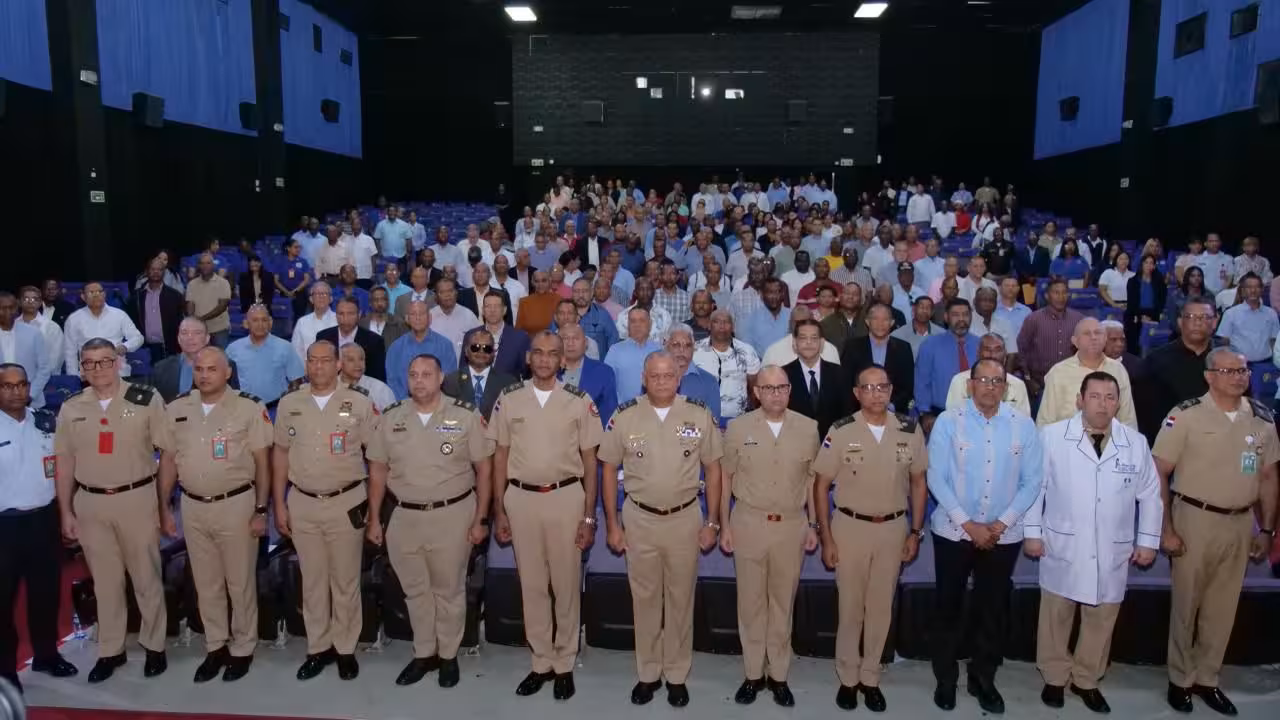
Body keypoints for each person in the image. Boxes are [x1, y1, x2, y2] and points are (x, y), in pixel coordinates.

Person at [1025, 371, 1160, 713]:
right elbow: (1035, 488)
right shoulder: (1052, 437)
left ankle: (1087, 679)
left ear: (1119, 402)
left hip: (1112, 546)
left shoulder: (1135, 443)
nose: (1102, 404)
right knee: (1056, 614)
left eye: (1110, 397)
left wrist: (1148, 541)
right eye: (1095, 396)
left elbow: (1150, 495)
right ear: (1079, 400)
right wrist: (1032, 533)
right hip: (1063, 542)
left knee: (1102, 616)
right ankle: (1054, 677)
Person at [1153, 348, 1278, 715]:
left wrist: (1267, 529)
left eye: (1243, 371)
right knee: (1187, 604)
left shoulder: (1261, 418)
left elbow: (1269, 477)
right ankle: (1180, 680)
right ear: (1209, 376)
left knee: (1223, 608)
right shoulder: (1185, 415)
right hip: (1195, 517)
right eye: (1230, 371)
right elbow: (1158, 471)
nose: (1240, 377)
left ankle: (1208, 678)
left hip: (1240, 522)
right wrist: (1166, 528)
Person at [599, 351, 723, 708]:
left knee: (681, 600)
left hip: (685, 519)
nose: (662, 381)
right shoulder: (625, 416)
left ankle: (677, 674)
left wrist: (712, 521)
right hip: (640, 519)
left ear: (678, 378)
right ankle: (648, 673)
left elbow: (714, 469)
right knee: (645, 600)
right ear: (644, 378)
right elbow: (607, 468)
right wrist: (612, 524)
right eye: (655, 375)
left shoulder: (698, 414)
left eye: (669, 375)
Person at [365, 353, 492, 688]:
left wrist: (481, 519)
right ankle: (424, 653)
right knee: (415, 591)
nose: (419, 380)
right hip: (403, 516)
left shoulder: (465, 415)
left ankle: (448, 656)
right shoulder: (391, 417)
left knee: (448, 590)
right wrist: (374, 518)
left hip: (452, 514)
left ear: (440, 379)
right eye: (413, 375)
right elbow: (377, 470)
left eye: (426, 374)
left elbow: (484, 469)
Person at [488, 332, 602, 700]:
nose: (544, 359)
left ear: (562, 361)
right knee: (532, 584)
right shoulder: (509, 399)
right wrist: (499, 510)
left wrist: (589, 517)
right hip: (521, 499)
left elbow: (590, 462)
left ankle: (565, 662)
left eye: (552, 354)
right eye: (537, 353)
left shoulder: (579, 401)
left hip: (566, 497)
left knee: (566, 584)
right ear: (528, 358)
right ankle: (541, 661)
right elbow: (500, 457)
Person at [925, 358, 1043, 713]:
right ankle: (946, 679)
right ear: (970, 384)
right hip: (953, 531)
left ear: (1005, 387)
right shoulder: (949, 421)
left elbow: (1032, 481)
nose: (990, 387)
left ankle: (983, 678)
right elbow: (935, 477)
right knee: (948, 607)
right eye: (983, 380)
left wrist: (1001, 524)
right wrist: (969, 525)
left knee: (992, 609)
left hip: (1002, 535)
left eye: (997, 381)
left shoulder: (1023, 425)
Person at [814, 364, 927, 712]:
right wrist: (826, 538)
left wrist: (915, 532)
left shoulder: (909, 429)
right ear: (856, 393)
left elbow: (918, 482)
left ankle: (871, 677)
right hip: (850, 528)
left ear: (891, 391)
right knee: (850, 608)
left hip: (893, 529)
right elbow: (820, 485)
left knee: (880, 608)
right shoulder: (841, 430)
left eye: (883, 387)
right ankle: (848, 678)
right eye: (869, 387)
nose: (876, 394)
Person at [54, 338, 168, 683]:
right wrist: (65, 511)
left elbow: (169, 453)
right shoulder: (72, 407)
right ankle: (111, 650)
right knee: (105, 582)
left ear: (118, 363)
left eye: (104, 361)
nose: (98, 369)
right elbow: (64, 463)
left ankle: (154, 645)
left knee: (146, 577)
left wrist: (163, 503)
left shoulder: (146, 399)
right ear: (81, 369)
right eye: (89, 363)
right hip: (90, 503)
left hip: (136, 497)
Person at [156, 346, 271, 683]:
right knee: (206, 583)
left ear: (228, 372)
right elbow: (168, 462)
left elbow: (263, 464)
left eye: (212, 369)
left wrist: (261, 509)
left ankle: (243, 647)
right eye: (199, 369)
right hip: (192, 506)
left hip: (236, 504)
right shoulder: (177, 408)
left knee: (239, 582)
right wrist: (163, 506)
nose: (204, 375)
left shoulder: (249, 407)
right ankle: (216, 645)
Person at [272, 341, 378, 682]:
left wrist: (376, 510)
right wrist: (278, 503)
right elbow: (280, 454)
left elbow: (377, 456)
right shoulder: (289, 403)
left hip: (346, 501)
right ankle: (318, 647)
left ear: (338, 365)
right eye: (312, 361)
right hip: (302, 501)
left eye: (325, 361)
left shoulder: (359, 402)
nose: (318, 366)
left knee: (345, 580)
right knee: (313, 580)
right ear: (306, 365)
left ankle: (345, 649)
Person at [719, 365, 820, 707]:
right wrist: (724, 525)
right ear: (756, 392)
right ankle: (752, 674)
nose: (775, 394)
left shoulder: (808, 428)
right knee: (750, 603)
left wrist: (814, 525)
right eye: (768, 388)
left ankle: (778, 675)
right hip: (748, 522)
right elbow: (725, 479)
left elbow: (813, 481)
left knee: (782, 603)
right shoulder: (737, 428)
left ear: (789, 390)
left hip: (791, 526)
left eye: (781, 388)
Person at [0, 364, 78, 692]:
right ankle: (5, 670)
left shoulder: (45, 422)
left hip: (43, 520)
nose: (16, 391)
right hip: (5, 526)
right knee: (3, 601)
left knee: (46, 593)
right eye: (7, 386)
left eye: (21, 384)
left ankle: (47, 654)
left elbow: (61, 470)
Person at [1137, 298, 1216, 441]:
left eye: (1204, 317)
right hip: (1170, 438)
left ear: (1215, 322)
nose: (1197, 322)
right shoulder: (1156, 360)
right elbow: (1146, 413)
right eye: (1190, 316)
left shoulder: (1229, 361)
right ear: (1180, 322)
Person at [1037, 317, 1137, 428]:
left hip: (1110, 436)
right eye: (1087, 333)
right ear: (1075, 341)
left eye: (1098, 333)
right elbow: (1045, 420)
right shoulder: (1058, 372)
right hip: (1066, 436)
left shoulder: (1118, 370)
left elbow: (1128, 419)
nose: (1093, 337)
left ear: (1105, 339)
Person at [915, 299, 981, 426]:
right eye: (955, 315)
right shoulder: (930, 345)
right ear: (946, 317)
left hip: (977, 415)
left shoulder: (981, 345)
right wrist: (925, 414)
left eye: (965, 314)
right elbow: (922, 383)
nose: (961, 319)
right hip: (940, 416)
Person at [1017, 278, 1086, 399]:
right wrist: (1028, 380)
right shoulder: (1033, 319)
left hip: (1072, 383)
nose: (1061, 297)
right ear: (1047, 296)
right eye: (1056, 293)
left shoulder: (1079, 319)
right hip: (1040, 384)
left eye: (1064, 293)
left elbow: (1086, 350)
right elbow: (1022, 349)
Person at [840, 304, 914, 414]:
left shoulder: (903, 348)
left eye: (885, 319)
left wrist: (891, 406)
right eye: (875, 319)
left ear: (892, 323)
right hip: (859, 412)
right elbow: (845, 384)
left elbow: (907, 386)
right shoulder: (852, 347)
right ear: (867, 322)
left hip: (893, 413)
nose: (880, 324)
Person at [226, 305, 304, 407]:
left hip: (276, 407)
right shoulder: (233, 349)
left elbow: (296, 381)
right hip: (244, 408)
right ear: (246, 324)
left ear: (270, 323)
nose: (260, 324)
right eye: (255, 320)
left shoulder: (285, 347)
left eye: (264, 320)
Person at [63, 282, 144, 379]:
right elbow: (70, 352)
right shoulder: (74, 319)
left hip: (117, 372)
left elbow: (138, 337)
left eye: (99, 291)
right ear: (83, 297)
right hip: (88, 373)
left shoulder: (119, 315)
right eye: (91, 292)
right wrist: (73, 378)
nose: (96, 295)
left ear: (104, 294)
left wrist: (125, 346)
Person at [152, 317, 241, 403]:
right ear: (178, 339)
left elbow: (232, 401)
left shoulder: (225, 365)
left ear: (207, 338)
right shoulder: (161, 368)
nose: (190, 337)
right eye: (184, 333)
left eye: (197, 333)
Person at [692, 310, 760, 420]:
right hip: (701, 418)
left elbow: (754, 388)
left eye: (726, 322)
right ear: (709, 325)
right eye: (717, 321)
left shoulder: (747, 351)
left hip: (738, 420)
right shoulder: (694, 351)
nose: (722, 326)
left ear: (733, 327)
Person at [386, 301, 459, 401]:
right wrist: (408, 403)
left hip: (438, 404)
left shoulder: (445, 346)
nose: (418, 317)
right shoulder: (395, 348)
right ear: (407, 319)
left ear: (430, 318)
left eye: (422, 313)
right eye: (413, 314)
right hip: (405, 405)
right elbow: (393, 382)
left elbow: (448, 381)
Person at [945, 333, 1031, 416]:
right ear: (978, 353)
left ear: (1005, 354)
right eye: (987, 349)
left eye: (998, 350)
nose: (992, 355)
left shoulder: (1018, 385)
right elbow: (952, 418)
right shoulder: (959, 381)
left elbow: (1023, 421)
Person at [443, 328, 514, 420]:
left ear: (493, 353)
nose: (481, 352)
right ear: (466, 351)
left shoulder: (508, 383)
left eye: (487, 348)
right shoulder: (450, 381)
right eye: (475, 347)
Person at [557, 323, 617, 427]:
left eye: (576, 338)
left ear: (586, 343)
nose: (570, 343)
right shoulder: (548, 372)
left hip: (593, 435)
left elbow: (611, 416)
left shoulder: (604, 373)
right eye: (565, 338)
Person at [128, 257, 187, 363]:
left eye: (159, 269)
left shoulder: (175, 296)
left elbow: (181, 322)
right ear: (147, 271)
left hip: (169, 349)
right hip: (144, 349)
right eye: (153, 269)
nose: (156, 272)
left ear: (164, 272)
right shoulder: (137, 297)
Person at [317, 296, 387, 382]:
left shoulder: (374, 341)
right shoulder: (323, 337)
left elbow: (378, 377)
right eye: (341, 314)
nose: (345, 318)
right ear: (336, 315)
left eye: (350, 314)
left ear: (359, 315)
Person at [0, 293, 50, 409]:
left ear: (17, 308)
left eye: (11, 308)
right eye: (3, 308)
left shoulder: (33, 333)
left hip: (32, 402)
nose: (8, 312)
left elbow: (44, 368)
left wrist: (29, 395)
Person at [604, 307, 663, 403]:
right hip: (623, 408)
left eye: (642, 321)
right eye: (633, 321)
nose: (637, 325)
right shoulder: (615, 351)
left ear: (650, 324)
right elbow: (606, 383)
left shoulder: (659, 350)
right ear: (628, 326)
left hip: (656, 408)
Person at [1215, 272, 1277, 362]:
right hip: (1238, 364)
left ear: (1262, 289)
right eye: (1249, 287)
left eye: (1257, 287)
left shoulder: (1271, 313)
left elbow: (1274, 340)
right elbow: (1224, 341)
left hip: (1266, 363)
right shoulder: (1230, 313)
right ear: (1243, 290)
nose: (1253, 290)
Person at [185, 253, 234, 348]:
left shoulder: (223, 283)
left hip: (219, 329)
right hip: (199, 330)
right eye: (202, 263)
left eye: (208, 263)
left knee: (219, 356)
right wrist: (192, 320)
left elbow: (222, 306)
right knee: (200, 356)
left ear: (213, 265)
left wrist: (202, 319)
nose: (205, 266)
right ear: (198, 266)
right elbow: (190, 304)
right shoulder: (192, 284)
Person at [1124, 254, 1167, 354]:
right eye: (1146, 262)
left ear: (1154, 266)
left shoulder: (1159, 282)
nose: (1148, 265)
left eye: (1151, 263)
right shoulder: (1132, 281)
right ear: (1142, 264)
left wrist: (1151, 317)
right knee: (1133, 334)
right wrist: (1140, 317)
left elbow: (1161, 302)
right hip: (1135, 315)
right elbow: (1131, 303)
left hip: (1153, 316)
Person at [339, 344, 396, 413]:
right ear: (339, 363)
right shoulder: (330, 387)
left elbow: (393, 416)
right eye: (351, 360)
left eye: (361, 359)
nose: (357, 364)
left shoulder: (380, 389)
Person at [291, 282, 338, 363]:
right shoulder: (302, 322)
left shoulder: (338, 320)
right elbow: (296, 350)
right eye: (317, 294)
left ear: (331, 299)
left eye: (325, 294)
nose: (321, 297)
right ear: (311, 299)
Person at [891, 295, 944, 360]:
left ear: (932, 312)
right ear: (914, 309)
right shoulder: (898, 335)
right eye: (921, 307)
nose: (924, 311)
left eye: (928, 308)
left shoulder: (942, 334)